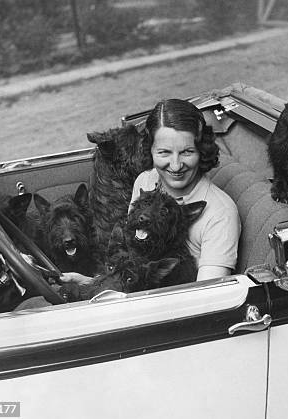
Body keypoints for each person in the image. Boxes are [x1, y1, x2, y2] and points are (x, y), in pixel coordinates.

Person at [61, 98, 240, 286]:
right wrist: (90, 284)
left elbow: (208, 298)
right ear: (150, 150)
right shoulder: (146, 180)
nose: (176, 165)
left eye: (187, 152)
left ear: (202, 150)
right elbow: (134, 265)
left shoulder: (220, 214)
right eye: (164, 152)